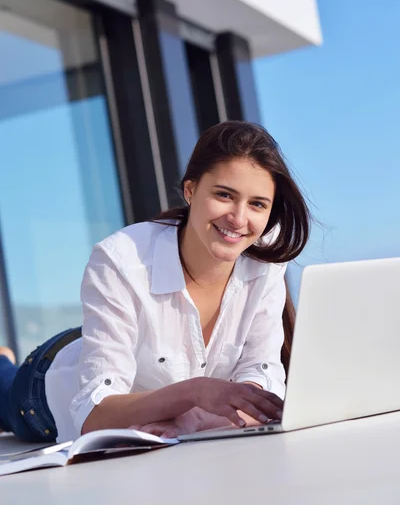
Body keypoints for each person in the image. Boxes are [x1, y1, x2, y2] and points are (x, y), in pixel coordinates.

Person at [0, 121, 310, 443]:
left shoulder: (264, 264)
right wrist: (193, 392)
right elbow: (92, 414)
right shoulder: (121, 260)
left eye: (257, 204)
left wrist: (189, 421)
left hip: (121, 347)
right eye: (224, 195)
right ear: (190, 190)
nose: (238, 218)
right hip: (48, 392)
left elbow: (260, 379)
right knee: (3, 391)